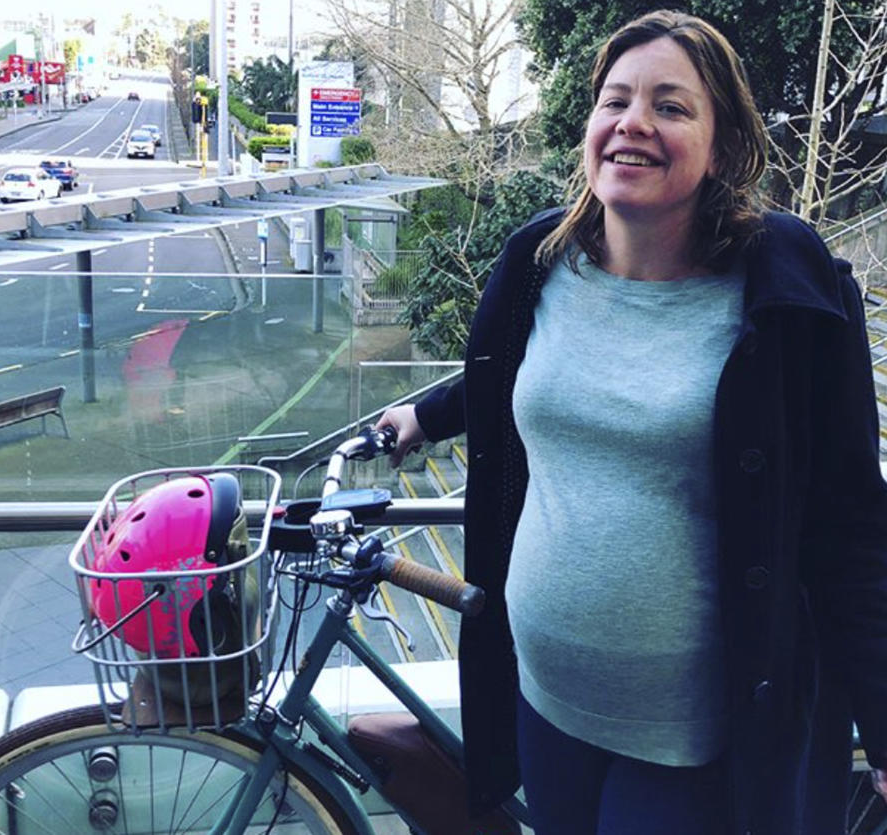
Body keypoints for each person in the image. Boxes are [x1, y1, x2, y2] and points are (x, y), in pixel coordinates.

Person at [376, 10, 887, 835]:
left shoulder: (788, 295)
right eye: (615, 100)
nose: (633, 123)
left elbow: (851, 522)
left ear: (722, 148)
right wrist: (426, 415)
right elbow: (515, 373)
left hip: (694, 738)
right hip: (544, 701)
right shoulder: (538, 262)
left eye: (671, 106)